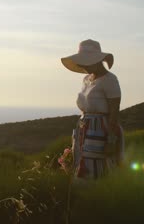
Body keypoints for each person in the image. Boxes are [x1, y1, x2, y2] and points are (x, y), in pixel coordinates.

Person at [61, 39, 124, 180]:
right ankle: (82, 196)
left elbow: (115, 110)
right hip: (84, 129)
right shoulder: (86, 79)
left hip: (101, 129)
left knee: (97, 166)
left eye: (87, 62)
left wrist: (111, 139)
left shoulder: (110, 80)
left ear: (98, 60)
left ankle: (97, 196)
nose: (84, 66)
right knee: (80, 163)